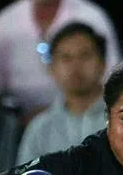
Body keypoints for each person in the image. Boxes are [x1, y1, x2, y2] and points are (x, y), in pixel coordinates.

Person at [15, 21, 107, 164]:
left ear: (103, 64)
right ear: (51, 68)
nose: (76, 66)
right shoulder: (39, 128)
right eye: (66, 58)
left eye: (85, 56)